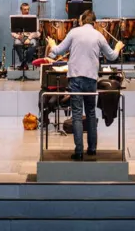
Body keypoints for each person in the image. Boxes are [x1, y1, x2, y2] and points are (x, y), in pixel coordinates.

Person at [48, 9, 122, 159]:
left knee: (76, 114)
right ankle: (92, 149)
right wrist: (118, 47)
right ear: (94, 23)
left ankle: (79, 151)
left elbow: (57, 51)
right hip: (91, 79)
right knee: (91, 113)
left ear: (82, 21)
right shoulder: (99, 35)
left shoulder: (74, 32)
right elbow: (112, 56)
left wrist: (51, 43)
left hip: (75, 78)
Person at [12, 2, 40, 69]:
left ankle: (25, 62)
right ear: (21, 10)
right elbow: (12, 32)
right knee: (16, 43)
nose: (27, 11)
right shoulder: (16, 19)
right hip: (20, 37)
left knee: (33, 43)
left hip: (30, 37)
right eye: (25, 9)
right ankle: (23, 61)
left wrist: (29, 38)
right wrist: (18, 36)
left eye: (28, 9)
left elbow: (37, 32)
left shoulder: (34, 19)